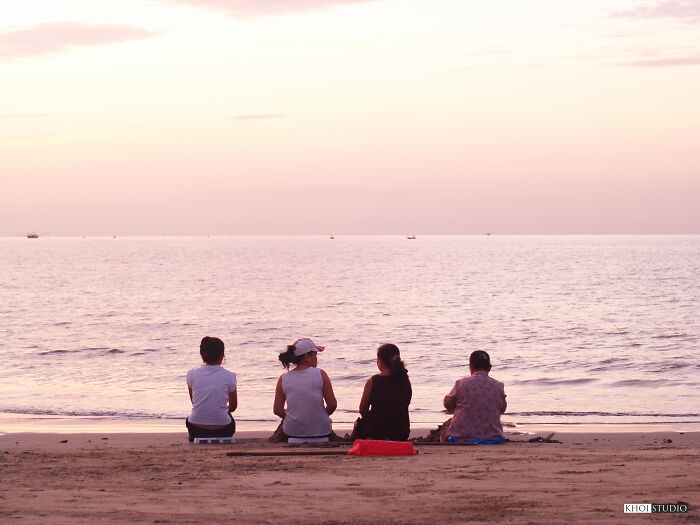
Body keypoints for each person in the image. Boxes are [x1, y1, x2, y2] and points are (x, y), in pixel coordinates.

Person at [273, 337, 337, 441]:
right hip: (321, 431)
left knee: (280, 432)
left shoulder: (283, 378)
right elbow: (332, 405)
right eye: (315, 355)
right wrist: (319, 415)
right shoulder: (321, 374)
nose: (317, 358)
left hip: (293, 432)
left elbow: (277, 410)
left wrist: (292, 418)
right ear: (307, 356)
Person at [440, 350, 507, 443]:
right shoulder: (499, 386)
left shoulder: (461, 384)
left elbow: (447, 403)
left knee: (446, 427)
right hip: (493, 437)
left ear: (470, 366)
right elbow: (502, 408)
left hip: (461, 436)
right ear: (490, 367)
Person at [354, 343, 412, 441]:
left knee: (358, 425)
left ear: (380, 361)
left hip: (377, 431)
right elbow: (405, 403)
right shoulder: (405, 380)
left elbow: (363, 409)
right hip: (401, 431)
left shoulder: (373, 381)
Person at [185, 336, 237, 442]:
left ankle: (194, 436)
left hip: (196, 427)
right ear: (222, 355)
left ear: (202, 355)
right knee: (228, 417)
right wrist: (225, 409)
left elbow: (194, 402)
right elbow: (233, 406)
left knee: (190, 418)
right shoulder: (230, 375)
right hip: (223, 428)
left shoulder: (191, 374)